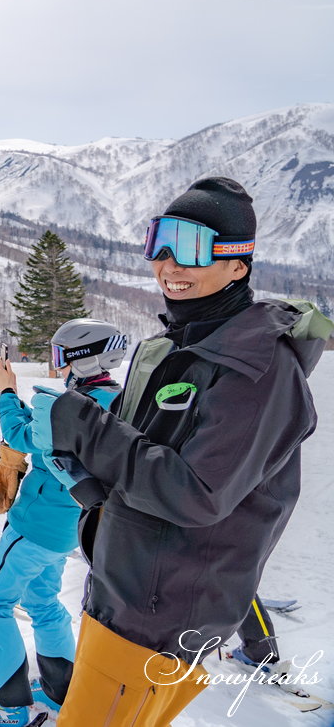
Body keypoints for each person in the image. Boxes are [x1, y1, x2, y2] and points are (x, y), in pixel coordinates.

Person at [34, 177, 328, 726]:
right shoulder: (177, 347)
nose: (168, 263)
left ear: (236, 263)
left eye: (190, 247)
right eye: (158, 242)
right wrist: (83, 473)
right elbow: (143, 462)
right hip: (126, 594)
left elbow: (196, 494)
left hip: (159, 617)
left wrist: (85, 425)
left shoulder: (257, 369)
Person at [0, 319, 126, 726]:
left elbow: (19, 435)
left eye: (61, 358)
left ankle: (6, 702)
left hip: (33, 526)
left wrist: (6, 390)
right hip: (69, 527)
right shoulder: (118, 402)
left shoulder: (66, 406)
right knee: (43, 603)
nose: (57, 366)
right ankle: (60, 686)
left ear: (84, 361)